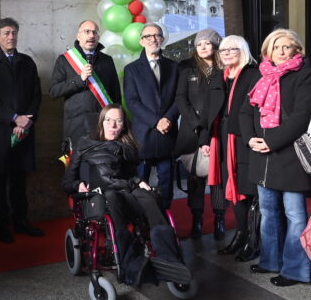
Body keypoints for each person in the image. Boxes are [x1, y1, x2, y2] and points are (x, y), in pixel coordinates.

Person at [62, 104, 190, 285]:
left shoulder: (127, 145)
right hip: (106, 195)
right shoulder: (86, 144)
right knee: (113, 197)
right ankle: (130, 263)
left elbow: (131, 176)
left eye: (118, 121)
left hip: (128, 192)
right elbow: (68, 183)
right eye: (109, 120)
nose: (113, 126)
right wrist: (78, 184)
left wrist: (139, 183)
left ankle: (168, 258)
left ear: (124, 125)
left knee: (149, 196)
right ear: (101, 122)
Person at [240, 29, 311, 286]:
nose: (281, 52)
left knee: (295, 215)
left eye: (287, 47)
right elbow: (244, 112)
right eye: (276, 47)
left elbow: (301, 118)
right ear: (267, 52)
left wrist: (270, 142)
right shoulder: (259, 76)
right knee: (268, 211)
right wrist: (250, 137)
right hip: (261, 156)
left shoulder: (306, 76)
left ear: (297, 50)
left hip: (288, 156)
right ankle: (270, 261)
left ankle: (295, 270)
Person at [0, 17, 43, 243]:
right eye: (6, 33)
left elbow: (36, 95)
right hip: (1, 132)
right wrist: (14, 118)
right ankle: (3, 227)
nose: (11, 37)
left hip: (25, 130)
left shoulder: (27, 62)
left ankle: (21, 221)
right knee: (0, 182)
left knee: (19, 180)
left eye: (14, 32)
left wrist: (27, 121)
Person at [200, 35, 260, 260]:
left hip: (243, 138)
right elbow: (208, 111)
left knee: (246, 189)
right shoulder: (219, 76)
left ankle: (252, 239)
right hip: (222, 138)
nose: (225, 53)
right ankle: (241, 235)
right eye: (223, 50)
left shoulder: (254, 73)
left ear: (242, 50)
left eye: (231, 49)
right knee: (232, 189)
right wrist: (205, 139)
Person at [175, 28, 226, 240]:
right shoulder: (186, 68)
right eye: (199, 44)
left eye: (208, 43)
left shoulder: (224, 69)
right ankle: (196, 218)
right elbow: (180, 99)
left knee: (217, 177)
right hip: (192, 130)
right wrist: (196, 124)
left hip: (217, 129)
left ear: (215, 45)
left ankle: (219, 219)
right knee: (196, 177)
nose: (203, 47)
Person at [124, 22, 179, 210]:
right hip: (143, 136)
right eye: (148, 36)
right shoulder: (131, 69)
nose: (153, 39)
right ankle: (142, 220)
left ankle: (164, 217)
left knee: (166, 184)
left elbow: (179, 98)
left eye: (157, 35)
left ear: (162, 39)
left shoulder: (174, 67)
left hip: (168, 133)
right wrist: (156, 122)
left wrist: (167, 119)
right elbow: (132, 102)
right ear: (141, 41)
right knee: (141, 183)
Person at [49, 20, 121, 149]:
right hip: (76, 124)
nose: (91, 36)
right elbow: (54, 91)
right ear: (79, 36)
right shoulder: (64, 60)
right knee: (75, 166)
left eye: (94, 32)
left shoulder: (107, 61)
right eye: (87, 32)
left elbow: (115, 94)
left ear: (98, 37)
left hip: (103, 124)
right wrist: (79, 79)